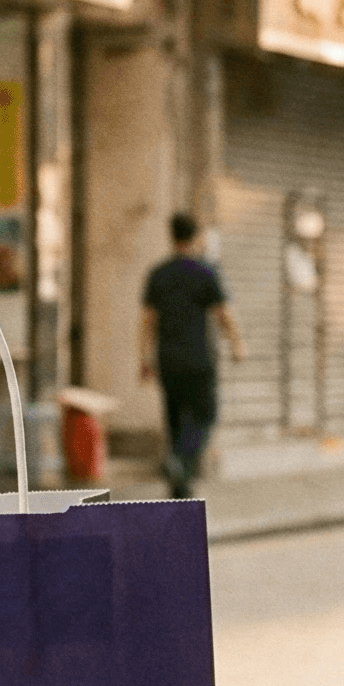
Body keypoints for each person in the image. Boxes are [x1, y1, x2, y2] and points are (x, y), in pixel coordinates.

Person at [140, 212, 245, 497]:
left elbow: (147, 321)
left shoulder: (158, 274)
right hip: (199, 360)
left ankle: (179, 489)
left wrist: (144, 360)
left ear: (172, 236)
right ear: (196, 236)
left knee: (174, 421)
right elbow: (224, 314)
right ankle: (180, 461)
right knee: (206, 416)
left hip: (168, 360)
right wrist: (237, 344)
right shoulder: (206, 271)